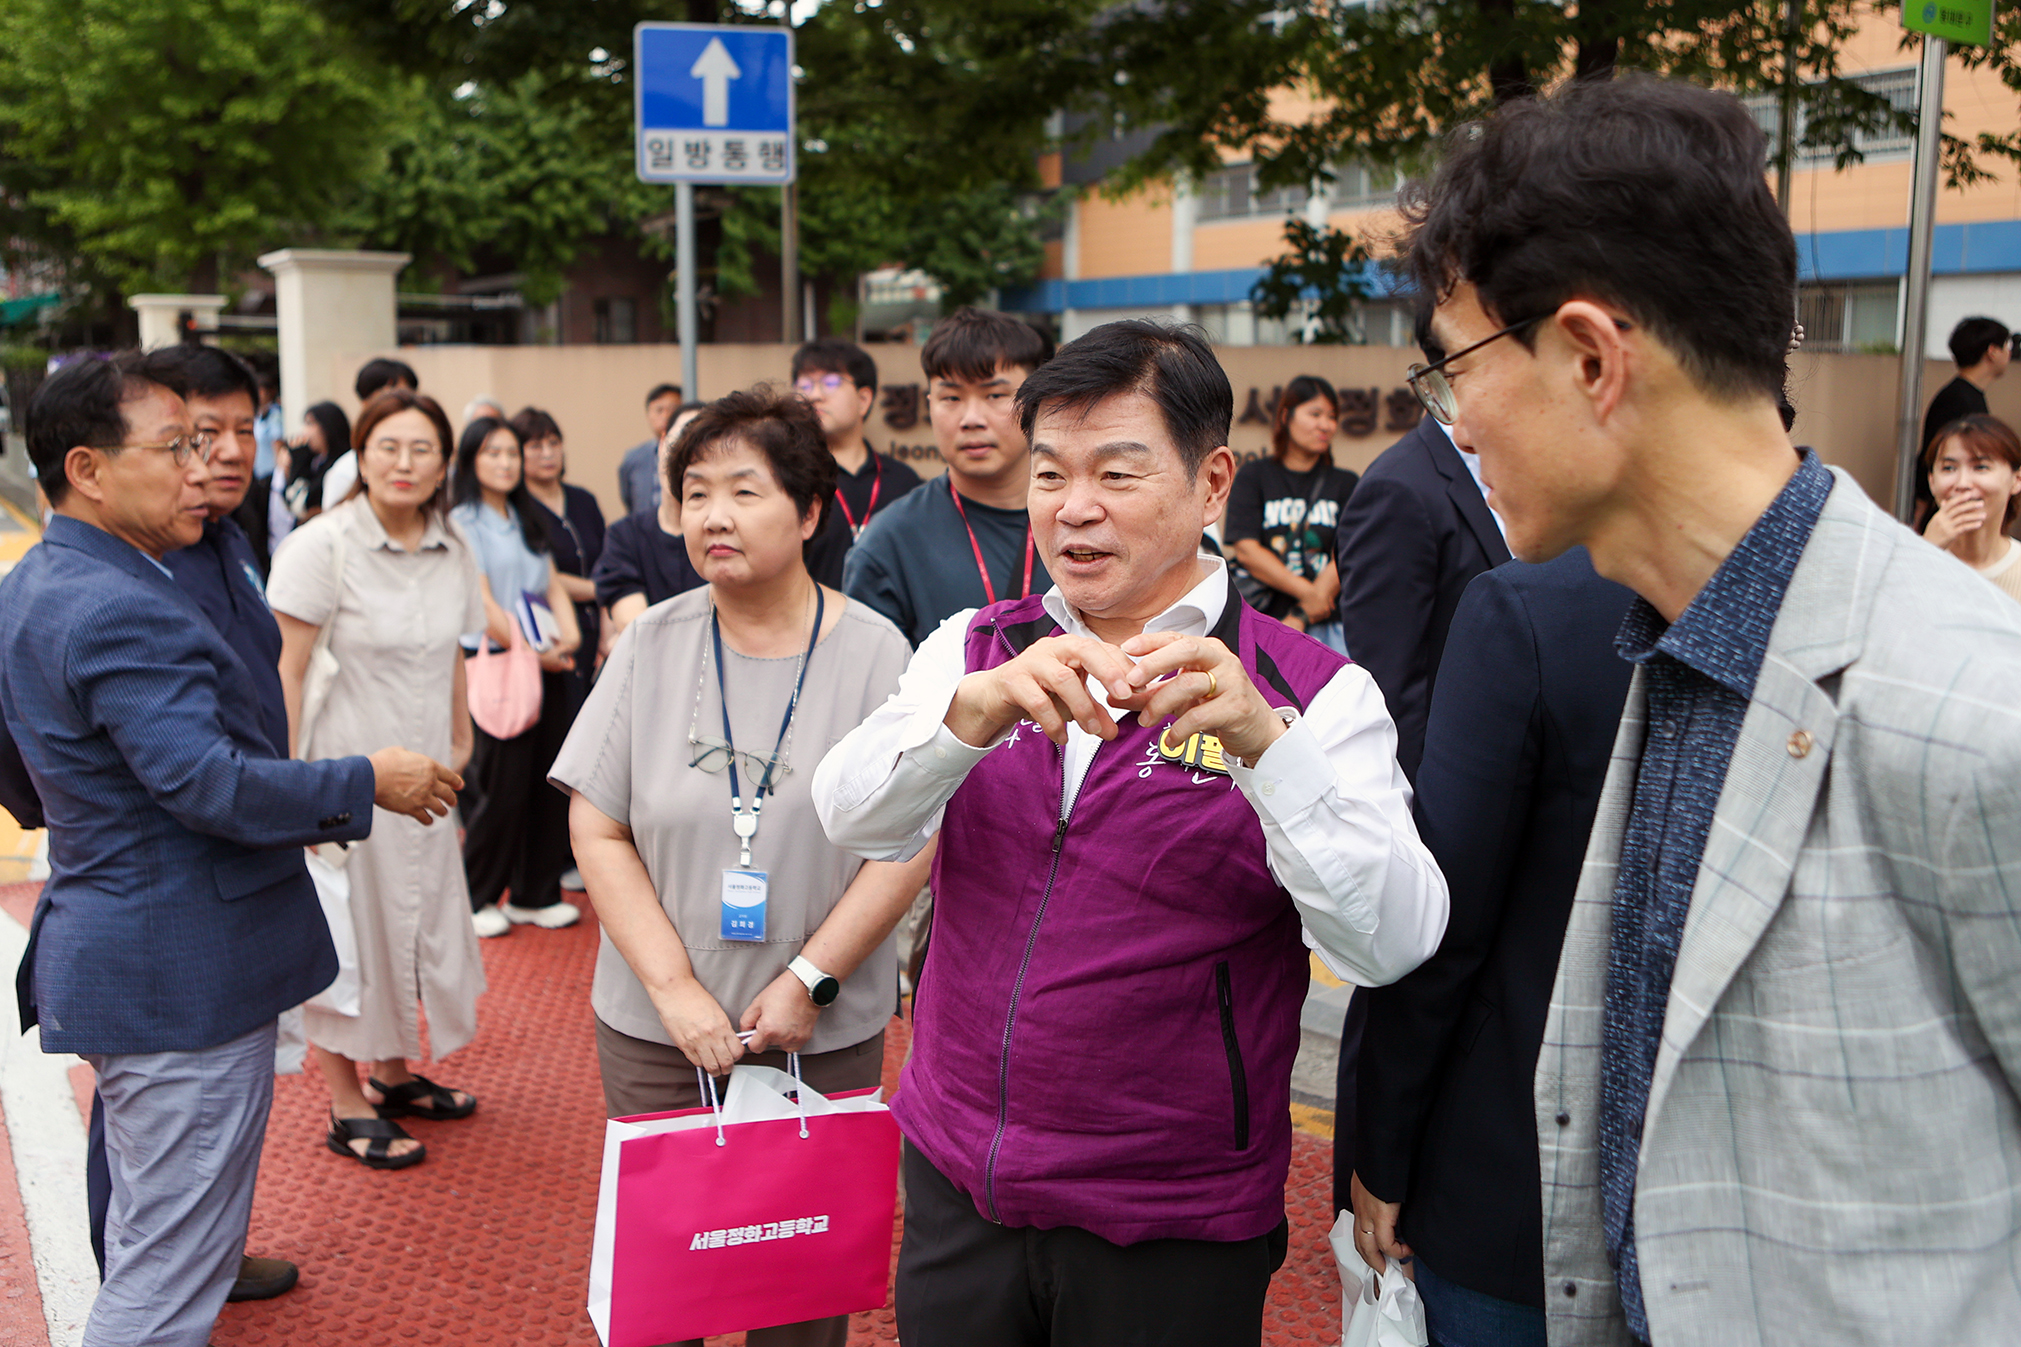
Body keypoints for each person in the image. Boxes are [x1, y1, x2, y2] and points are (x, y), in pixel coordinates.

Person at [1403, 74, 2021, 1345]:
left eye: (1455, 364)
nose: (1453, 420)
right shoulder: (1673, 646)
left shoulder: (1969, 703)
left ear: (1589, 357)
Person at [814, 320, 1447, 1347]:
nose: (1074, 508)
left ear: (1211, 484)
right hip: (955, 1179)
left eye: (1116, 471)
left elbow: (1391, 942)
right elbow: (848, 814)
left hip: (1169, 1222)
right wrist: (962, 723)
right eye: (1051, 472)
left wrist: (1263, 749)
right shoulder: (975, 649)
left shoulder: (1313, 692)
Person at [0, 352, 458, 1345]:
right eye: (174, 447)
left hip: (131, 946)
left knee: (165, 1245)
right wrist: (366, 781)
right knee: (163, 1287)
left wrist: (91, 815)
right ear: (87, 469)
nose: (199, 465)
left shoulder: (42, 578)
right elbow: (207, 783)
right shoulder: (121, 602)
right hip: (179, 972)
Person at [552, 387, 928, 1347]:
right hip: (655, 1029)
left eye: (744, 490)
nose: (712, 514)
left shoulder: (876, 652)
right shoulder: (653, 640)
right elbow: (598, 829)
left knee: (798, 1286)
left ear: (809, 512)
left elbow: (909, 840)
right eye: (695, 492)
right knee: (662, 1285)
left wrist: (809, 978)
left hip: (820, 1021)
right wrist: (673, 989)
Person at [1349, 550, 1634, 1347]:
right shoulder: (1871, 593)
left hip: (1516, 1179)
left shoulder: (1533, 608)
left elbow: (1446, 921)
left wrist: (1382, 1149)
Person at [269, 388, 490, 1171]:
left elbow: (451, 658)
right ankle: (345, 1097)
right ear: (359, 456)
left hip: (427, 780)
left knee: (417, 922)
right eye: (386, 446)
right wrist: (292, 787)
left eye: (421, 448)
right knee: (348, 934)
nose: (403, 462)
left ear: (443, 464)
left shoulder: (452, 546)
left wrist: (461, 741)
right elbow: (285, 672)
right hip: (344, 780)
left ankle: (393, 1073)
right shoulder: (321, 547)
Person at [1325, 303, 1512, 1215]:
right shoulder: (1402, 486)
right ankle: (1363, 1188)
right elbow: (1385, 683)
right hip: (1435, 805)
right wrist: (1428, 817)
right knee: (1397, 1001)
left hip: (1508, 798)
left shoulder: (1529, 471)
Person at [843, 307, 1055, 646]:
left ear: (1036, 401)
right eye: (951, 397)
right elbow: (874, 688)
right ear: (929, 403)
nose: (971, 418)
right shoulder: (889, 545)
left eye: (995, 395)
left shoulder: (1081, 518)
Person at [449, 416, 583, 935]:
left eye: (511, 453)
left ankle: (534, 893)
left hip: (541, 662)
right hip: (498, 666)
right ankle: (477, 895)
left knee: (546, 784)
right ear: (471, 461)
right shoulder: (464, 520)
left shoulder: (526, 516)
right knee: (500, 787)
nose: (505, 462)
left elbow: (550, 586)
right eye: (492, 453)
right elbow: (481, 605)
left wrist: (567, 637)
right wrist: (534, 651)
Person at [1223, 375, 1358, 650]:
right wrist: (1309, 594)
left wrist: (1304, 613)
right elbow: (1246, 549)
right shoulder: (1254, 476)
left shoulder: (1346, 483)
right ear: (1286, 416)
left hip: (1332, 626)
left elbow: (1348, 553)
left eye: (1332, 416)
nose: (1326, 425)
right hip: (1265, 620)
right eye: (1315, 413)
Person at [792, 338, 923, 586]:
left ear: (864, 399)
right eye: (804, 385)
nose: (815, 396)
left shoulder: (904, 482)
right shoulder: (789, 479)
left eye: (831, 382)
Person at [514, 405, 606, 708]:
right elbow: (543, 578)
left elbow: (608, 564)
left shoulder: (583, 499)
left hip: (600, 631)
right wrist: (599, 590)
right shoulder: (519, 512)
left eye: (554, 443)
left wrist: (608, 628)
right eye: (536, 446)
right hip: (555, 636)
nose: (547, 453)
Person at [594, 403, 707, 645]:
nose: (685, 458)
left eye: (701, 448)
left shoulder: (722, 535)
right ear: (662, 443)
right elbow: (636, 626)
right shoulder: (625, 535)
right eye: (681, 440)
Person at [1916, 317, 2011, 528]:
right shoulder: (1957, 399)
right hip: (1949, 514)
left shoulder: (1967, 395)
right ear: (1992, 351)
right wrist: (1920, 510)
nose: (2010, 354)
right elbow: (1931, 455)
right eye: (2007, 346)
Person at [1922, 413, 2021, 603]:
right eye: (1949, 468)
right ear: (1932, 481)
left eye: (1981, 467)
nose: (1962, 483)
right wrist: (1925, 552)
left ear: (2016, 480)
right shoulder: (1903, 562)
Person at [281, 400, 353, 525]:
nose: (305, 432)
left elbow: (299, 504)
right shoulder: (314, 462)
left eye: (310, 424)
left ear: (328, 427)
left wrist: (299, 459)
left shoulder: (341, 466)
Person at [618, 382, 683, 515]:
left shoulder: (695, 453)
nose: (666, 416)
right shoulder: (633, 457)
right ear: (648, 415)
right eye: (659, 410)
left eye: (673, 409)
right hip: (644, 531)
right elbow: (628, 499)